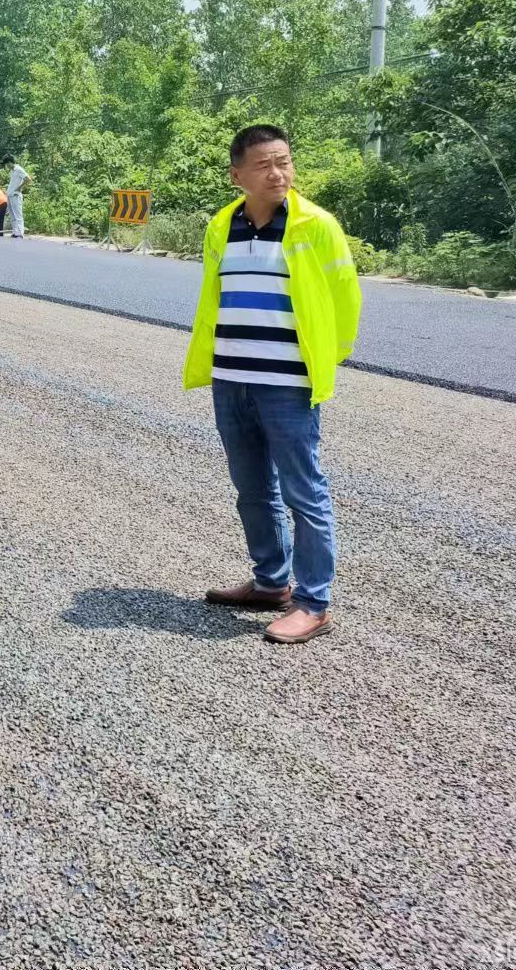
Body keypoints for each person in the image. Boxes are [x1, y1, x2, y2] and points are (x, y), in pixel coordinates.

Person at [184, 124, 362, 645]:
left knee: (305, 493)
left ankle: (314, 602)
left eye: (283, 161)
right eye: (263, 165)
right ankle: (270, 583)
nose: (277, 173)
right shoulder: (221, 226)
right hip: (232, 380)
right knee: (252, 490)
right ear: (238, 175)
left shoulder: (315, 226)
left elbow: (346, 300)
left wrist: (326, 360)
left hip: (288, 385)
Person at [7, 160, 32, 239]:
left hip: (16, 195)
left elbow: (28, 179)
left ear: (11, 162)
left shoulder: (18, 169)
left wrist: (20, 187)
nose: (7, 166)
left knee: (18, 215)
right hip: (10, 194)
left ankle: (20, 233)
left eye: (7, 163)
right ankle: (15, 232)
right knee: (12, 215)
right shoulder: (12, 171)